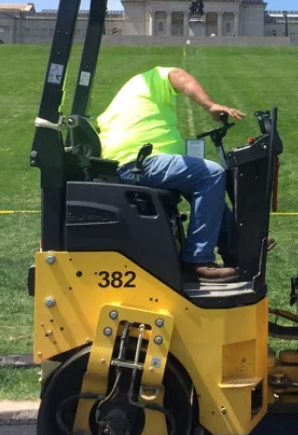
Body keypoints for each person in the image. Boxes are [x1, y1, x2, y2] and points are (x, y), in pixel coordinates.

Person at [97, 66, 244, 282]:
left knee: (200, 181)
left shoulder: (123, 101)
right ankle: (197, 260)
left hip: (133, 161)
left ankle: (235, 246)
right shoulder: (150, 79)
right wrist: (210, 105)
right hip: (138, 162)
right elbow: (178, 75)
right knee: (210, 174)